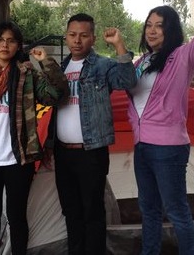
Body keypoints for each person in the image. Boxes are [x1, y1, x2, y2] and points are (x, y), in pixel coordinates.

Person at [127, 0, 194, 255]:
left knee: (177, 211)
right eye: (149, 25)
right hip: (141, 147)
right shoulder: (141, 63)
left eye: (160, 25)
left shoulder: (182, 57)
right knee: (149, 210)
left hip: (169, 149)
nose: (152, 30)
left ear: (171, 30)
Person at [0, 21, 68, 255]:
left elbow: (57, 95)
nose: (4, 45)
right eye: (0, 40)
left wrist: (45, 62)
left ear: (18, 45)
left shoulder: (26, 74)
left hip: (18, 158)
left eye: (10, 40)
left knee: (17, 217)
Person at [45, 13, 137, 255]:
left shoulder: (103, 65)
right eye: (73, 35)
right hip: (63, 153)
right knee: (71, 211)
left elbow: (128, 81)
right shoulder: (59, 68)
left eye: (84, 36)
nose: (78, 41)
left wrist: (119, 45)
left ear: (93, 38)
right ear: (66, 37)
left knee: (92, 212)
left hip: (92, 152)